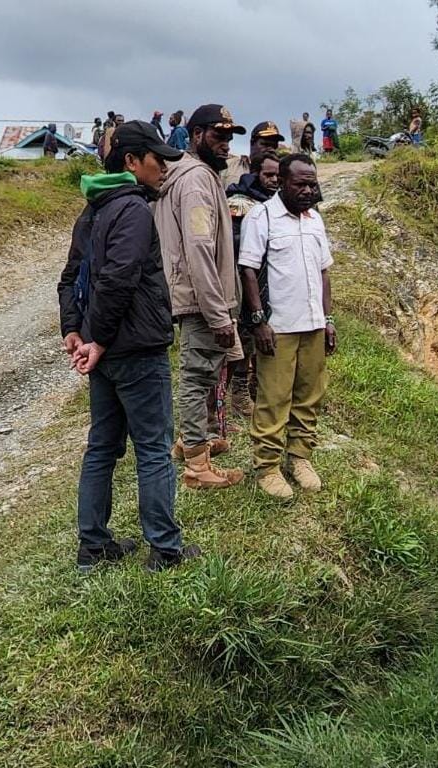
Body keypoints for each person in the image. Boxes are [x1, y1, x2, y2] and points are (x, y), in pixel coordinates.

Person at [56, 120, 200, 573]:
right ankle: (165, 549)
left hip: (106, 352)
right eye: (158, 160)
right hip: (135, 349)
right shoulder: (133, 209)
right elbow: (119, 279)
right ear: (133, 162)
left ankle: (92, 547)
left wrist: (73, 330)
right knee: (154, 447)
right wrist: (92, 338)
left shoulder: (93, 208)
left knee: (102, 446)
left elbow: (69, 280)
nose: (164, 168)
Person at [153, 103, 247, 490]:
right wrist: (218, 312)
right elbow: (198, 249)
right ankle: (197, 466)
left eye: (228, 137)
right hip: (202, 300)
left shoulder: (200, 175)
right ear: (194, 136)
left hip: (202, 298)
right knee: (195, 377)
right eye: (217, 135)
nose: (225, 144)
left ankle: (190, 441)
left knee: (206, 371)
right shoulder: (195, 180)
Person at [238, 153, 335, 499]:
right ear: (281, 181)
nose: (309, 190)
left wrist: (328, 320)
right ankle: (267, 466)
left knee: (309, 394)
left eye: (313, 184)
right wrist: (259, 320)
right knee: (274, 398)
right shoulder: (261, 217)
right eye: (301, 184)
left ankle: (300, 457)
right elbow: (248, 269)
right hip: (278, 327)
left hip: (313, 325)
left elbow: (324, 272)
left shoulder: (315, 220)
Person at [224, 151, 282, 420]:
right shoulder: (239, 202)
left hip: (273, 280)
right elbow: (233, 245)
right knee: (245, 337)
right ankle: (238, 392)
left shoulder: (280, 202)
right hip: (244, 277)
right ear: (255, 173)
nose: (273, 180)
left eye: (277, 176)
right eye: (268, 174)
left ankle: (259, 387)